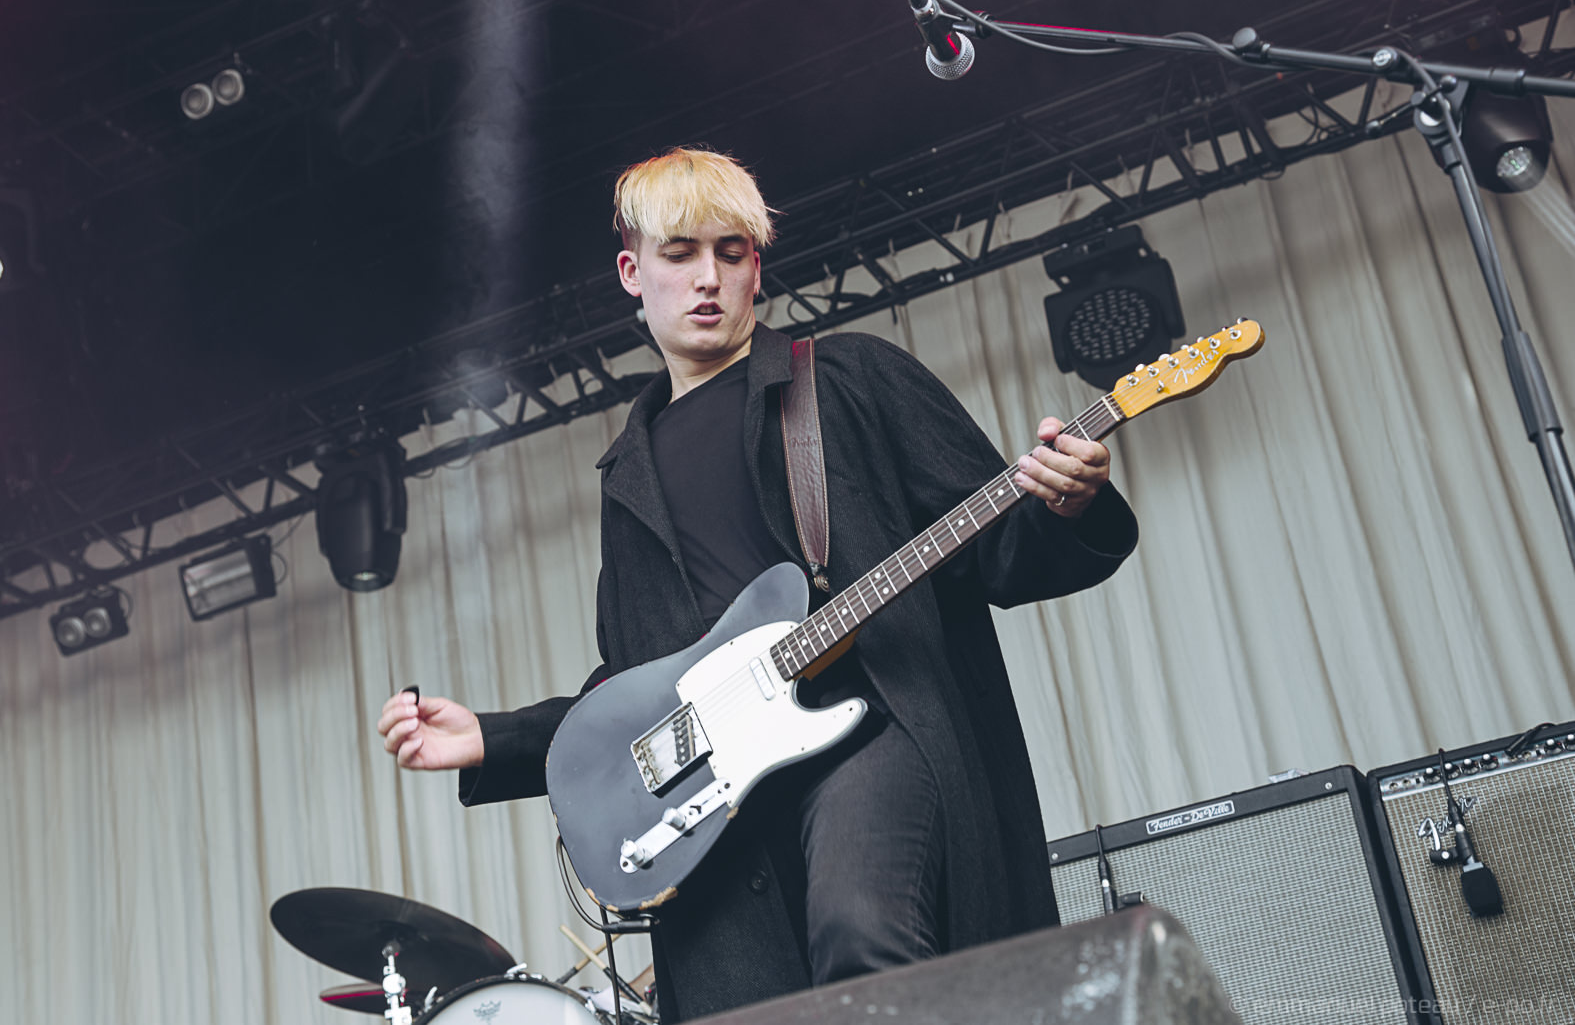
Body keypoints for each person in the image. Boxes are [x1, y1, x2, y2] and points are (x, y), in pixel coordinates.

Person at [378, 146, 1138, 1022]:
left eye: (730, 253)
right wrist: (494, 738)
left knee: (863, 934)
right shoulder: (626, 477)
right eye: (680, 254)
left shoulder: (848, 379)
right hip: (724, 806)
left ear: (755, 269)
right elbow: (637, 690)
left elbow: (997, 554)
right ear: (632, 273)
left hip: (868, 726)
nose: (708, 278)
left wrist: (1069, 502)